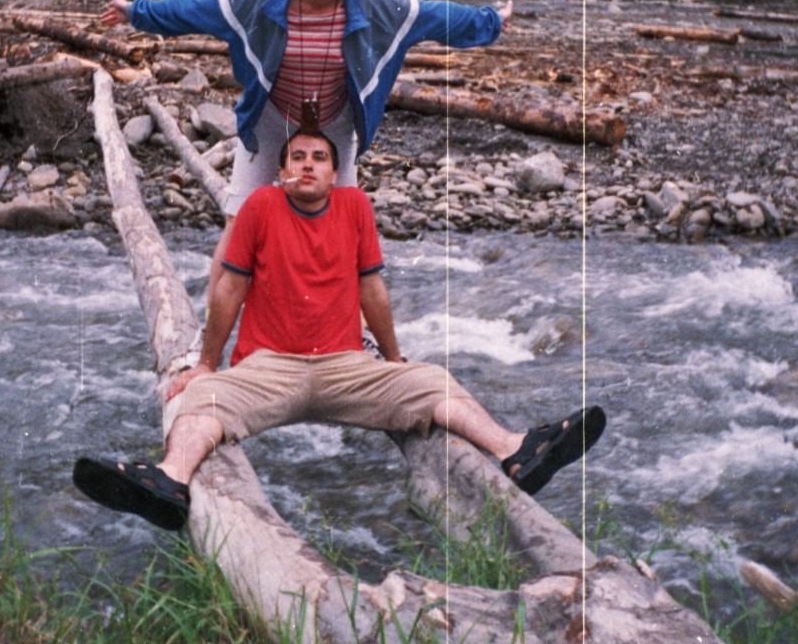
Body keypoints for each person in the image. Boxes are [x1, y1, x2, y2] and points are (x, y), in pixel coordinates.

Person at [73, 130, 606, 532]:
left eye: (319, 158)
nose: (308, 166)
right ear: (281, 172)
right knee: (204, 399)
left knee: (430, 382)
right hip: (270, 366)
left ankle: (517, 450)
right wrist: (206, 365)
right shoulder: (260, 206)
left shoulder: (355, 207)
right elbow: (228, 291)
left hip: (345, 365)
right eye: (297, 158)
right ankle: (169, 481)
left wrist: (394, 359)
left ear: (335, 172)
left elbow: (372, 291)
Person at [102, 0, 511, 310]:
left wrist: (491, 20)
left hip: (333, 127)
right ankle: (206, 341)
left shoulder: (374, 5)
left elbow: (437, 17)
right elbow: (200, 8)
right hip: (269, 120)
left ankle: (353, 336)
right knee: (238, 223)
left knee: (346, 230)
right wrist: (136, 11)